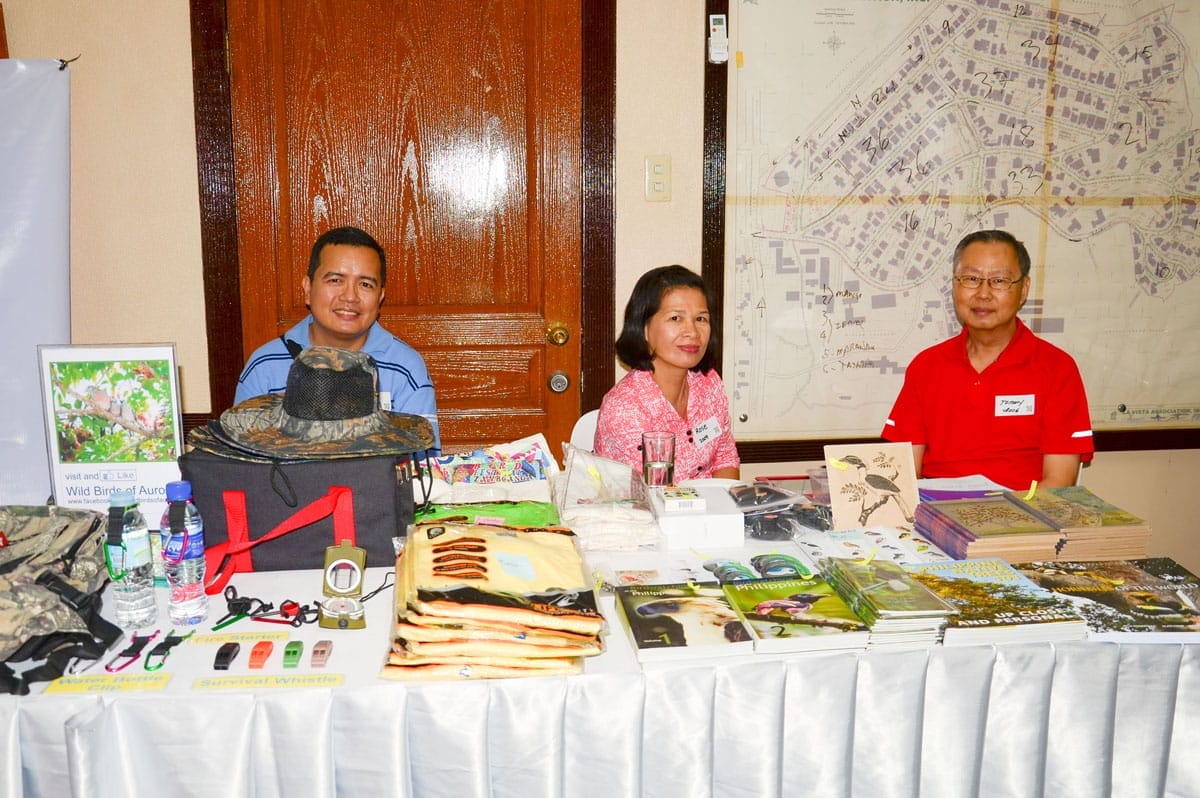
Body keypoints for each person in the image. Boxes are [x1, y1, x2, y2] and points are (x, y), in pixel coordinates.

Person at [881, 230, 1093, 489]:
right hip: (937, 511)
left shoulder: (1057, 369)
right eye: (971, 279)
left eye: (999, 280)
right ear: (955, 286)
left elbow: (1060, 482)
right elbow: (904, 472)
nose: (983, 293)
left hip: (1025, 512)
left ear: (1023, 290)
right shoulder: (926, 366)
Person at [234, 225, 440, 452]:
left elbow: (424, 463)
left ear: (380, 296)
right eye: (335, 280)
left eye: (365, 284)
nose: (350, 297)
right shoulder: (264, 366)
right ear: (308, 288)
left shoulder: (406, 368)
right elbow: (242, 458)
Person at [594, 265, 740, 480]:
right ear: (644, 328)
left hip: (710, 502)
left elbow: (725, 456)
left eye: (701, 319)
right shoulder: (624, 409)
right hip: (648, 501)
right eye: (675, 318)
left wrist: (725, 499)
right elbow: (651, 492)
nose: (692, 332)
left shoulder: (709, 383)